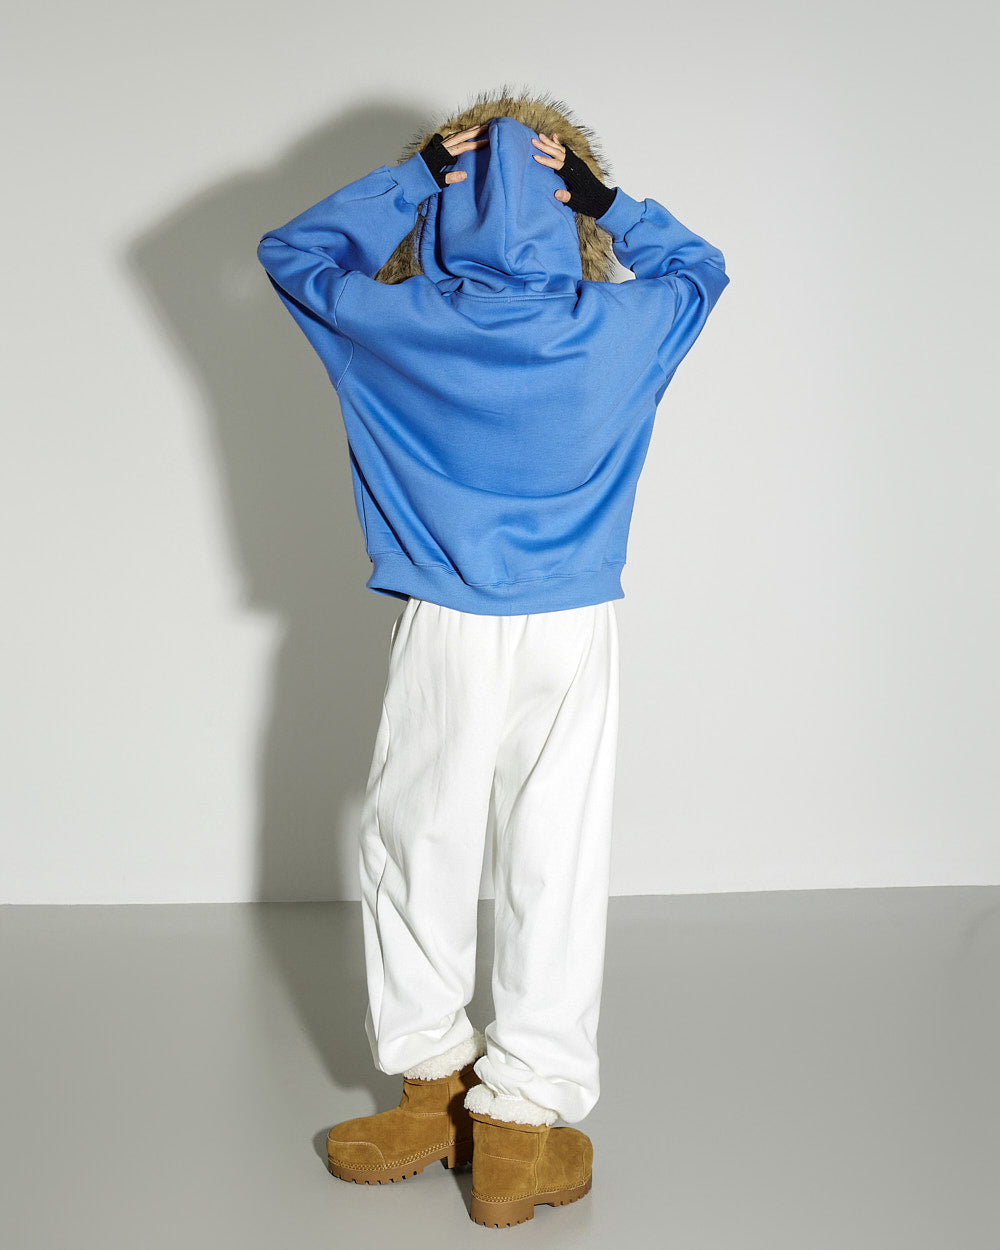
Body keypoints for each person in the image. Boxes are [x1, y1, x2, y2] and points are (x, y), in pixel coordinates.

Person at [257, 89, 729, 1227]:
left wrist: (416, 179)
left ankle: (433, 1083)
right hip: (575, 624)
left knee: (415, 842)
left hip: (443, 620)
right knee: (554, 856)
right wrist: (606, 200)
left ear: (445, 206)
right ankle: (522, 1120)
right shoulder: (623, 326)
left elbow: (292, 252)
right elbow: (702, 268)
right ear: (571, 210)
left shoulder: (391, 322)